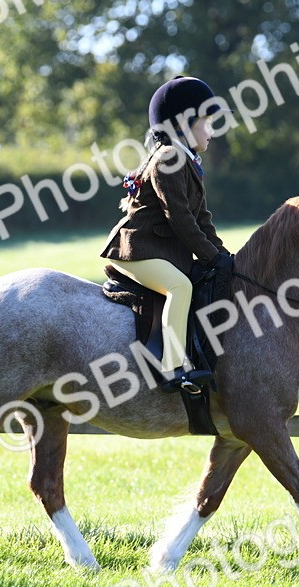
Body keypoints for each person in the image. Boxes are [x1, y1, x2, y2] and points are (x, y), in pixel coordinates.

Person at [101, 76, 234, 394]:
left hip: (157, 249)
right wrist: (211, 257)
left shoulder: (186, 160)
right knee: (180, 286)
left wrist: (224, 256)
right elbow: (181, 219)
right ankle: (172, 368)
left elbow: (202, 219)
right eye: (206, 123)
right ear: (184, 123)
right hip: (137, 250)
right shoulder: (168, 159)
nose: (211, 131)